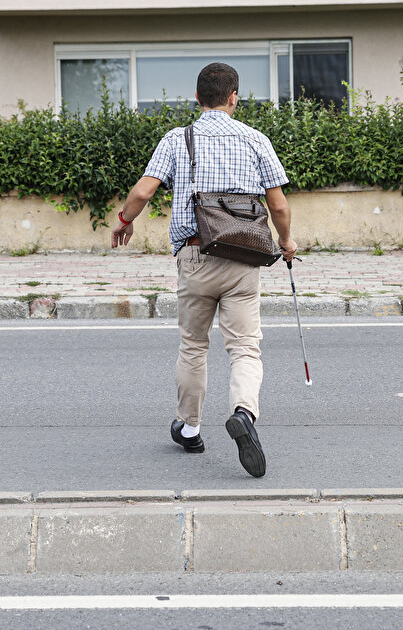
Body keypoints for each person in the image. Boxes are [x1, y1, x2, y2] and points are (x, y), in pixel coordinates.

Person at [110, 62, 296, 478]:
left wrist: (124, 220)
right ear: (234, 98)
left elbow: (144, 190)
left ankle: (190, 428)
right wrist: (286, 243)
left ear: (196, 99)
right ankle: (244, 412)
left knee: (194, 345)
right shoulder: (256, 139)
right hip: (245, 259)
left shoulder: (179, 138)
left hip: (195, 256)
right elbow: (279, 205)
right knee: (245, 347)